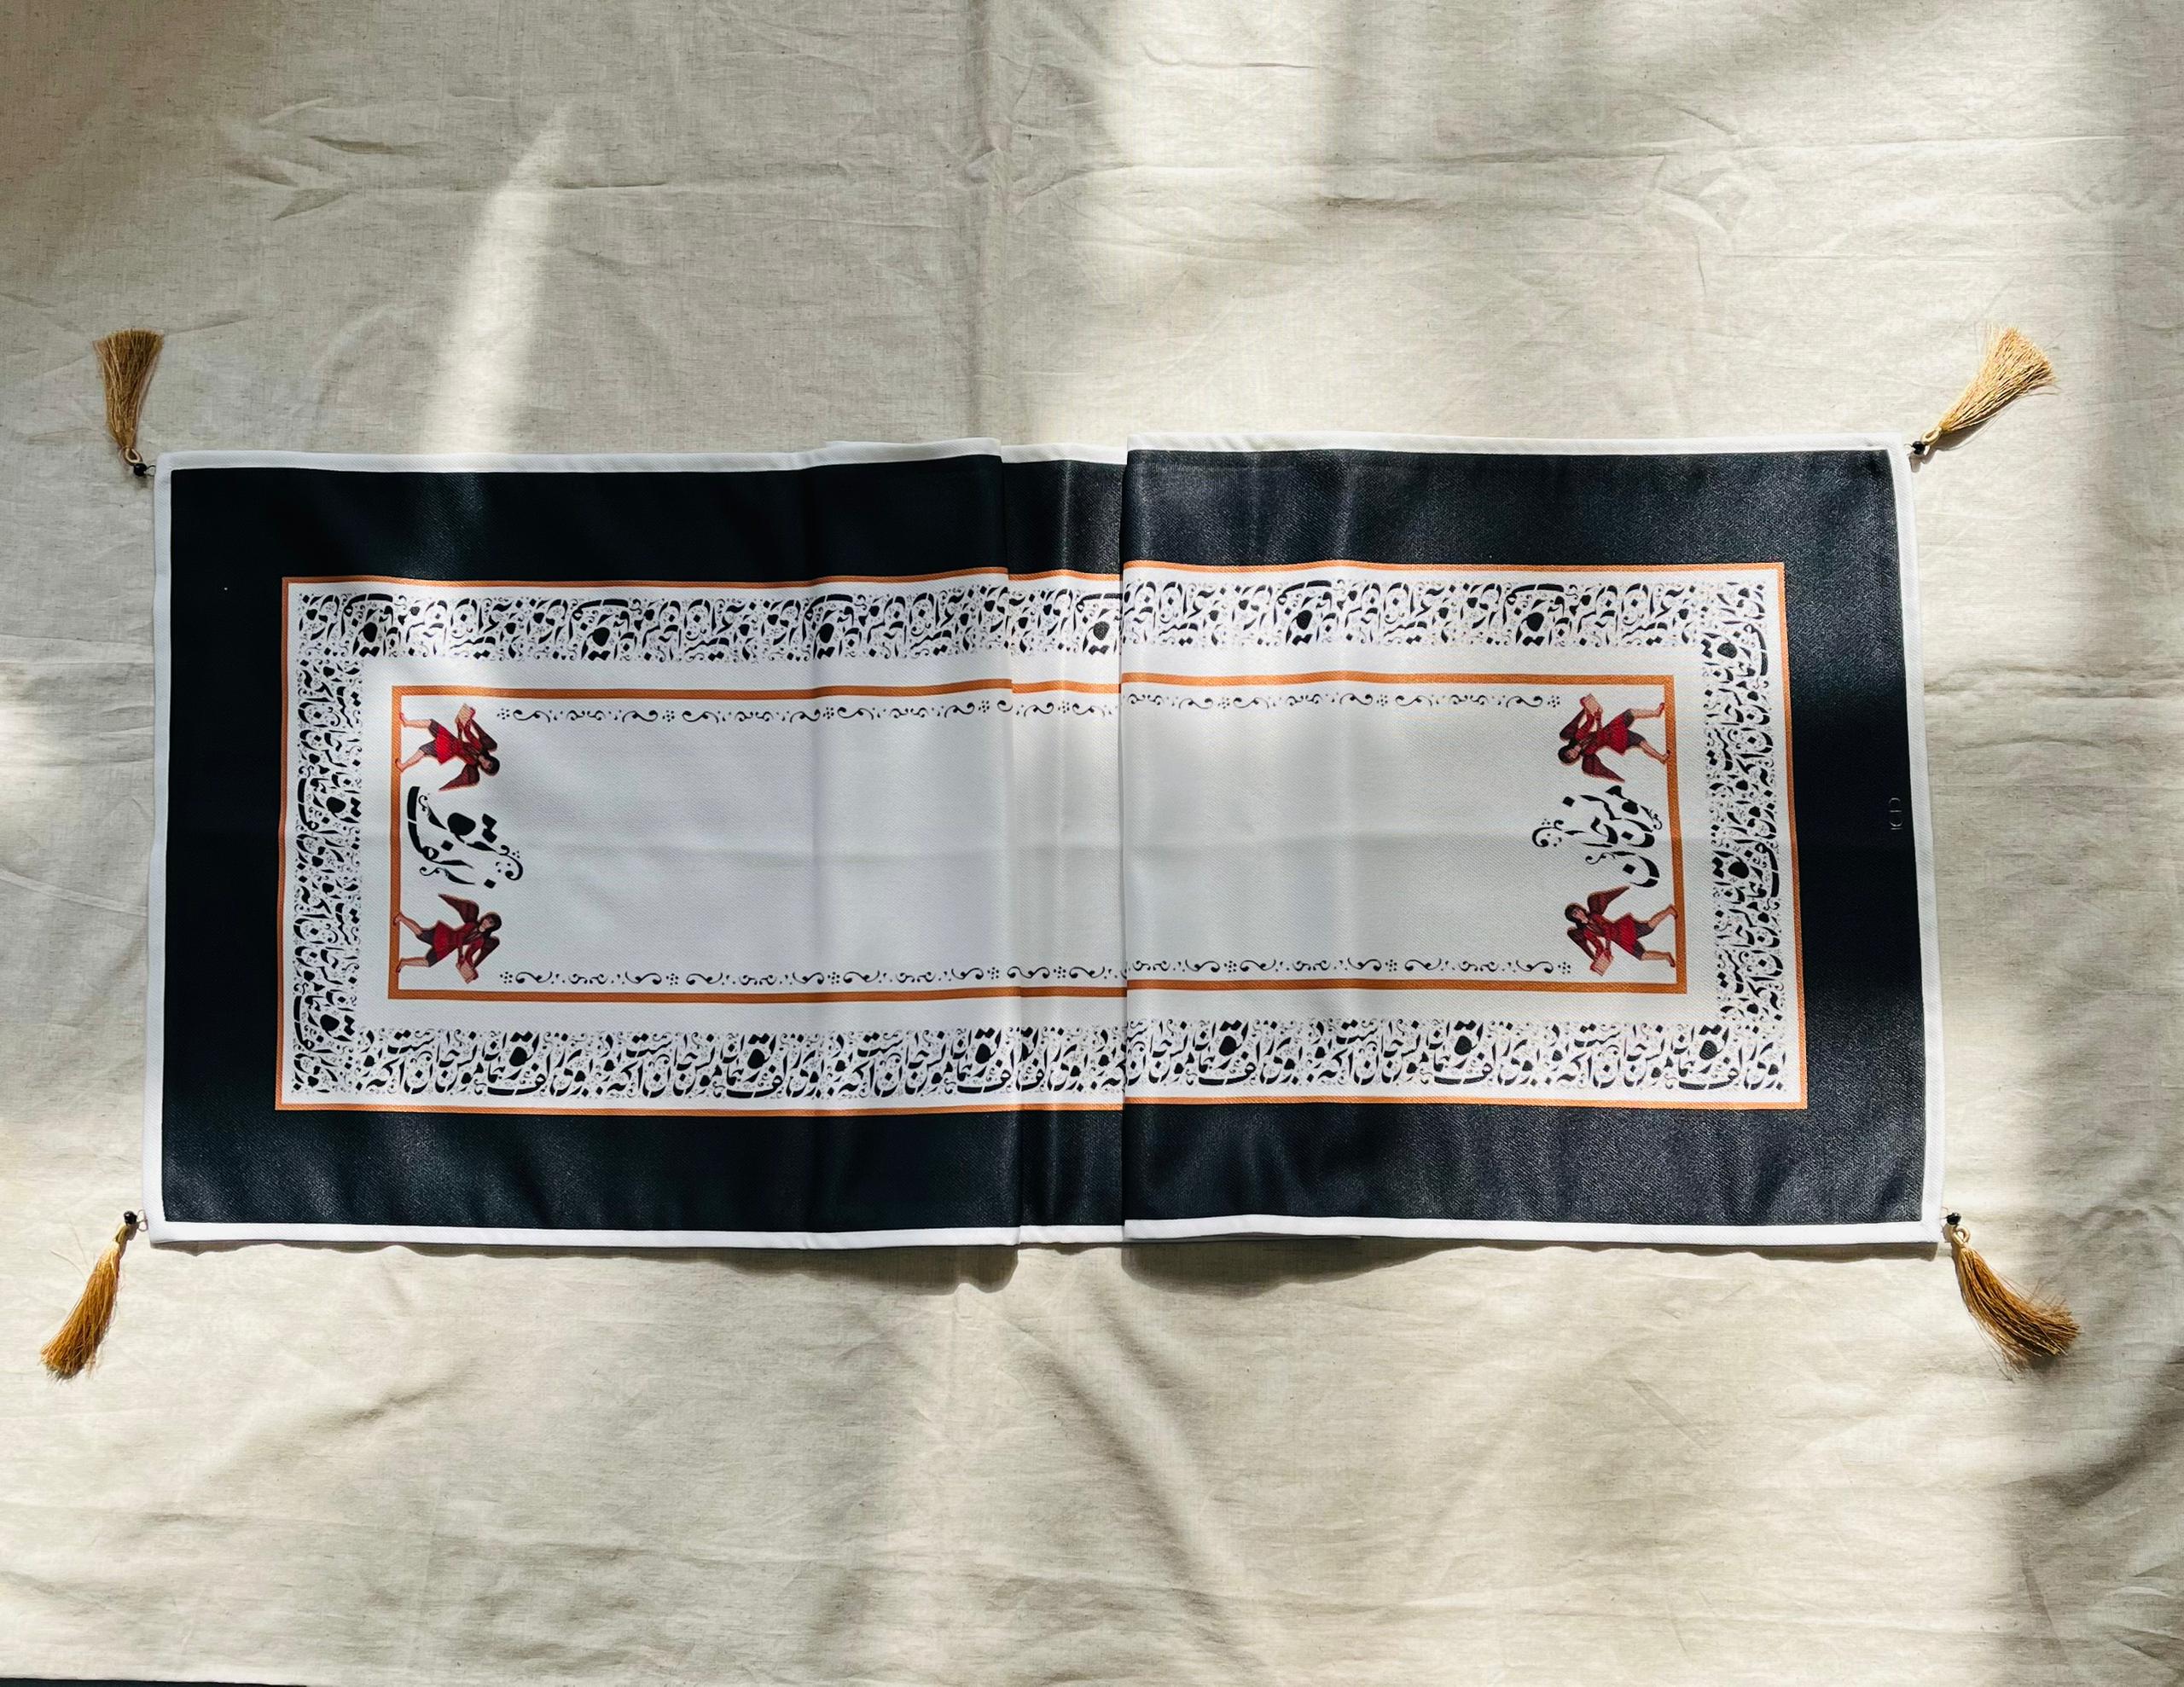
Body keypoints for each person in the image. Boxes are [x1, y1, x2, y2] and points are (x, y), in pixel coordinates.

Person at [1565, 886, 1675, 975]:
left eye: (1578, 910)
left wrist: (1608, 947)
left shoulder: (1594, 916)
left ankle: (1668, 911)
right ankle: (1666, 956)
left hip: (1623, 929)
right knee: (1642, 956)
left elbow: (1607, 928)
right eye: (1575, 914)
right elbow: (1597, 945)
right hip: (1620, 940)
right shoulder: (1585, 931)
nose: (1579, 913)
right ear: (1574, 918)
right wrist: (1597, 960)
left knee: (1648, 927)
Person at [1559, 692, 1667, 781]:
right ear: (1574, 759)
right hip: (1614, 739)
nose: (1572, 755)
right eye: (1571, 758)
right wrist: (1599, 719)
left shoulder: (1578, 737)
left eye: (1568, 754)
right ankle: (1661, 758)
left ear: (1567, 749)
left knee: (1630, 713)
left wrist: (1587, 707)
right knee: (1640, 741)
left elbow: (1589, 723)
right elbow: (1600, 738)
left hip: (1611, 728)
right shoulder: (1587, 752)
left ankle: (1655, 713)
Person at [396, 894, 502, 983]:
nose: (486, 922)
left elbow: (470, 954)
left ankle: (404, 962)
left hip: (447, 948)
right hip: (445, 936)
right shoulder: (472, 925)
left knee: (428, 962)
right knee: (421, 934)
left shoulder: (481, 940)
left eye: (490, 923)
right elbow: (460, 936)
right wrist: (460, 955)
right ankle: (401, 918)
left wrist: (472, 968)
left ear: (492, 927)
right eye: (487, 919)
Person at [397, 703, 500, 790]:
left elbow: (460, 749)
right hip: (450, 739)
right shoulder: (480, 748)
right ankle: (407, 722)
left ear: (485, 769)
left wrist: (460, 730)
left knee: (423, 750)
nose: (487, 765)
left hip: (449, 749)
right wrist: (467, 720)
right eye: (490, 764)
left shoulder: (473, 762)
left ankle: (403, 766)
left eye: (488, 768)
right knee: (431, 723)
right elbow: (468, 734)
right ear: (491, 759)